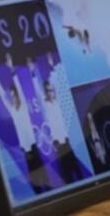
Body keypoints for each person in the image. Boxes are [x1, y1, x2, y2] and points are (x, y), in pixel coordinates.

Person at [0, 54, 49, 194]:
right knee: (35, 182)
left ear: (17, 95)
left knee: (44, 177)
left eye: (13, 94)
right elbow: (2, 95)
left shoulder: (22, 106)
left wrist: (11, 69)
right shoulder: (12, 110)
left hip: (34, 147)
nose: (11, 96)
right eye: (10, 95)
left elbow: (19, 88)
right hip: (25, 150)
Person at [29, 54, 86, 184]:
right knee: (67, 177)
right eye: (48, 91)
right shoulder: (45, 104)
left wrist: (51, 65)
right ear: (45, 92)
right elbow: (37, 90)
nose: (50, 92)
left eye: (51, 90)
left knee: (78, 173)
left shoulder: (58, 101)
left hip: (67, 142)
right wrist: (32, 72)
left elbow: (58, 83)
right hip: (59, 146)